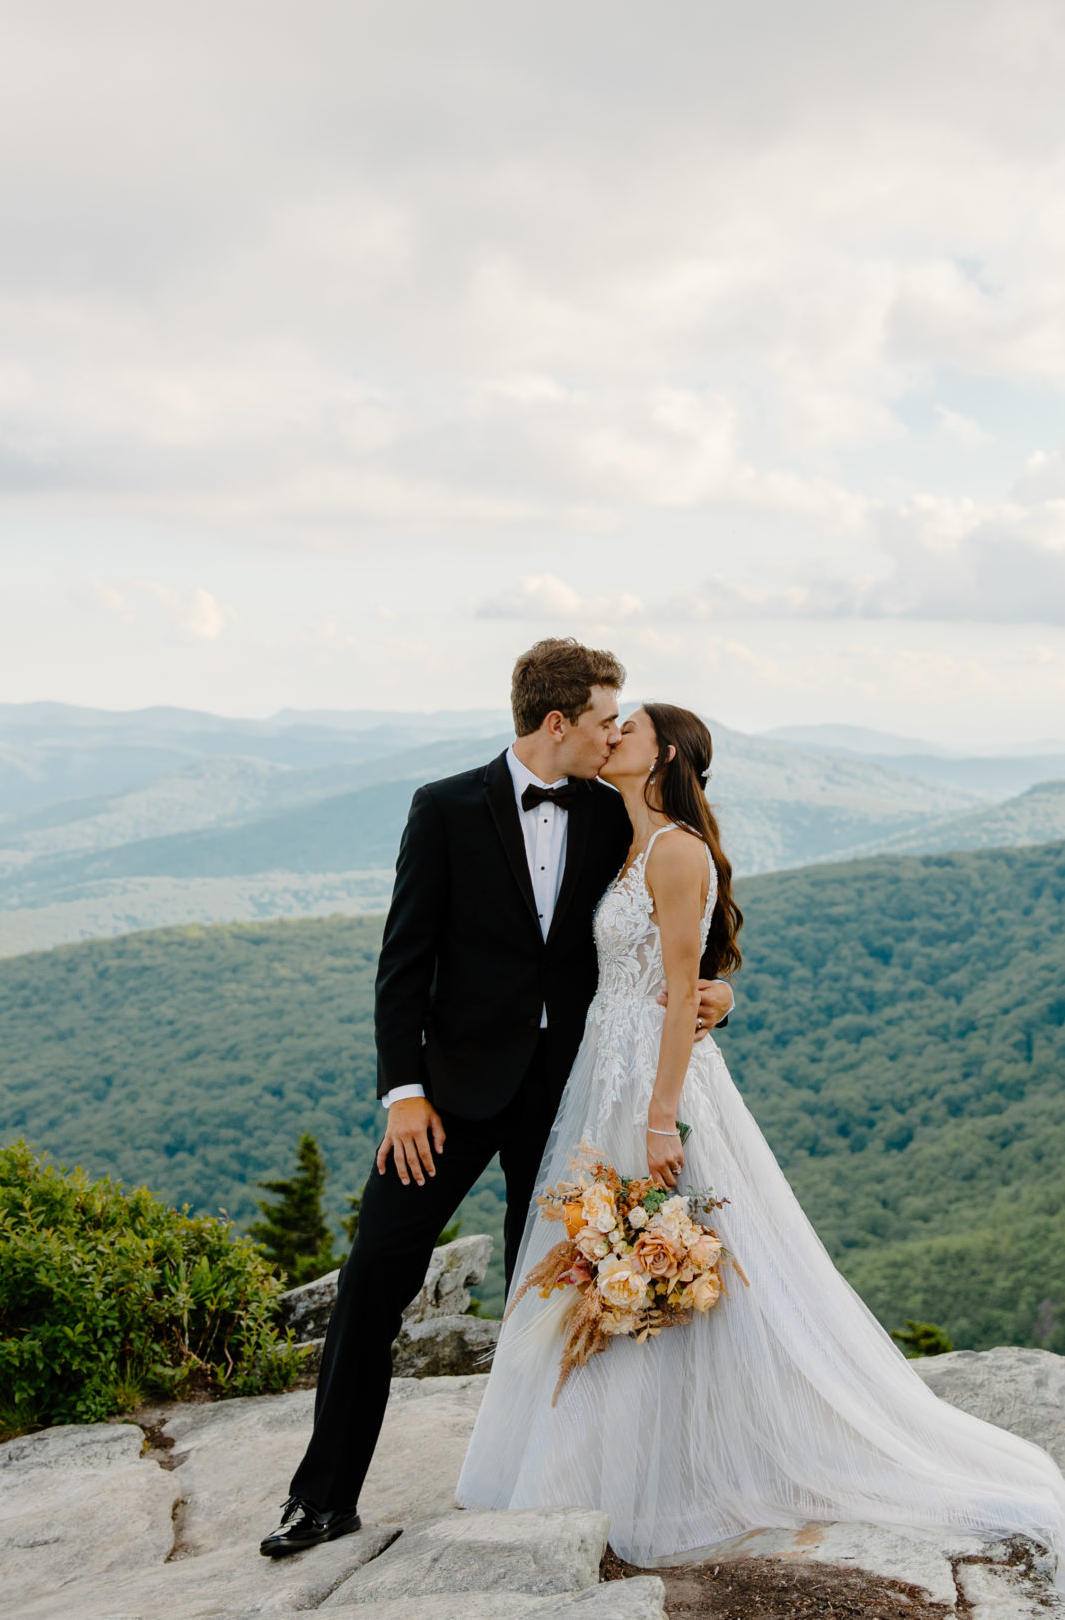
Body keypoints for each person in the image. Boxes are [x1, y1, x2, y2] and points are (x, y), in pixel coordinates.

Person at [454, 702, 1065, 1619]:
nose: (613, 735)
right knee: (599, 1267)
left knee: (661, 1271)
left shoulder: (679, 849)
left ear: (668, 755)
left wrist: (660, 1121)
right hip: (599, 1076)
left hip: (654, 1083)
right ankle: (595, 1461)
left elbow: (684, 981)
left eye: (632, 728)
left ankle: (654, 1473)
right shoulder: (620, 833)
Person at [261, 639, 734, 1557]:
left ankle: (550, 1484)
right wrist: (404, 1092)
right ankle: (320, 1498)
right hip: (447, 1096)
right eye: (604, 718)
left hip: (571, 1094)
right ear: (559, 722)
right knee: (374, 1275)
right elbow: (403, 963)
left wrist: (719, 991)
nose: (613, 733)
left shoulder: (615, 815)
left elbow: (676, 929)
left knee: (553, 1286)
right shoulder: (442, 808)